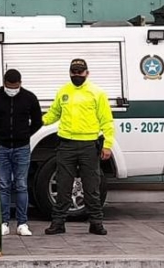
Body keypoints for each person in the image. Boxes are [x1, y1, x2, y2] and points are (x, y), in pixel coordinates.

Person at [42, 59, 114, 236]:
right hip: (66, 144)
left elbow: (107, 121)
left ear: (87, 73)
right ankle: (58, 223)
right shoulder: (63, 91)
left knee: (91, 187)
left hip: (89, 145)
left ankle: (96, 222)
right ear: (69, 72)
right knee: (63, 186)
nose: (76, 75)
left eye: (80, 72)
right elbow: (54, 113)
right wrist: (38, 121)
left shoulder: (97, 93)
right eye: (73, 71)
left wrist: (108, 145)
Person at [0, 69, 42, 237]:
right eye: (9, 86)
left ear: (20, 83)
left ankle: (22, 223)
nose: (12, 89)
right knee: (3, 185)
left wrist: (25, 134)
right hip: (1, 146)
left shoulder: (29, 98)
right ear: (4, 83)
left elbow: (37, 121)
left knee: (21, 185)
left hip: (22, 147)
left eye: (15, 86)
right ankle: (3, 222)